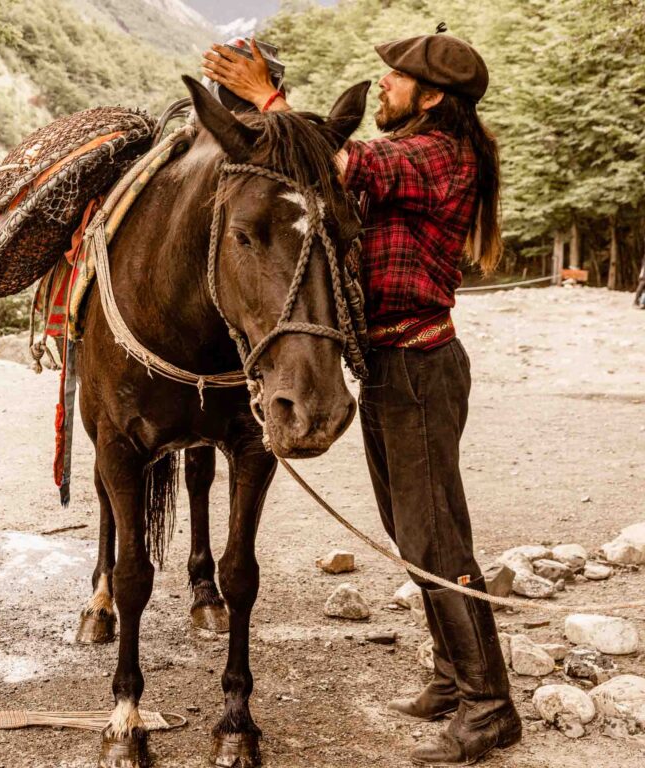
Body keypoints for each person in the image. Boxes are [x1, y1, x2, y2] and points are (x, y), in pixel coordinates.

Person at [202, 27, 521, 767]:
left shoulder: (441, 153)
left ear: (432, 96)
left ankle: (489, 708)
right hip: (392, 366)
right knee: (416, 531)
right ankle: (452, 675)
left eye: (396, 78)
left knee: (436, 536)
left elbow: (345, 160)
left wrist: (265, 99)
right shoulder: (429, 148)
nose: (383, 86)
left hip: (417, 368)